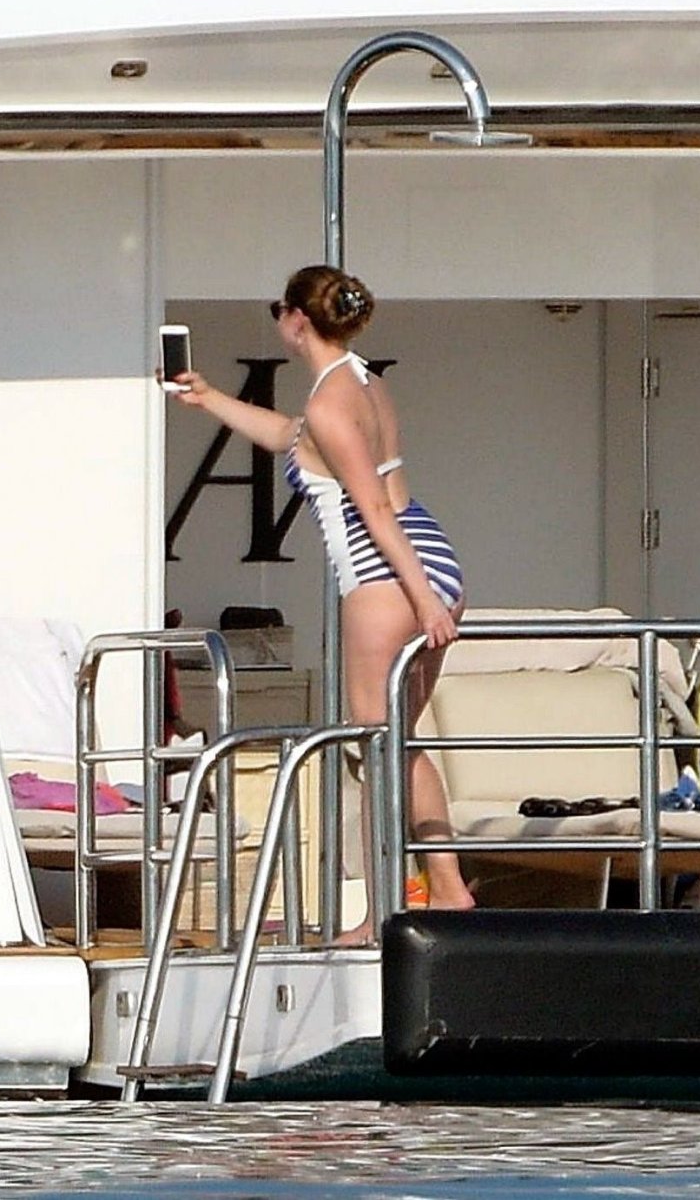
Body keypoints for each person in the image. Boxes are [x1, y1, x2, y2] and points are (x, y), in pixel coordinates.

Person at [166, 266, 475, 941]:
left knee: (372, 744)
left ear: (297, 321)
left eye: (278, 309)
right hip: (430, 555)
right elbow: (291, 437)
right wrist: (210, 398)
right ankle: (448, 888)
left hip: (385, 572)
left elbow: (371, 510)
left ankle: (378, 917)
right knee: (400, 740)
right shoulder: (360, 381)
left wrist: (423, 602)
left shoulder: (333, 403)